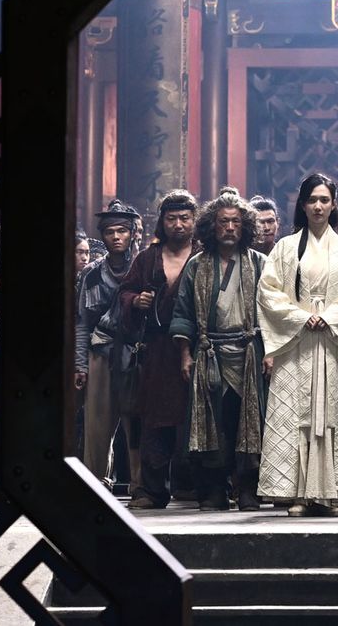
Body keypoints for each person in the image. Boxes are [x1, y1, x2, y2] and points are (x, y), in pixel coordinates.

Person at [257, 173, 338, 517]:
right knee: (298, 415)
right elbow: (268, 292)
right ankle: (298, 493)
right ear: (303, 205)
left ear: (334, 205)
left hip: (334, 341)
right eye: (312, 200)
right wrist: (299, 316)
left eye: (324, 200)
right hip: (298, 341)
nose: (318, 206)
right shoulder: (285, 248)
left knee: (334, 413)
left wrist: (331, 316)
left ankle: (332, 494)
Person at [172, 188, 268, 511]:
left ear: (245, 226)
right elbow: (183, 313)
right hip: (209, 353)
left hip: (249, 354)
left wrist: (270, 353)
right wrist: (185, 354)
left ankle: (248, 489)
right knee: (211, 423)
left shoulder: (259, 264)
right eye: (223, 222)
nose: (229, 228)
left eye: (235, 222)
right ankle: (213, 490)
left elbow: (272, 314)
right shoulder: (197, 266)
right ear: (212, 226)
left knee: (248, 421)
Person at [117, 190, 198, 509]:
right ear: (162, 222)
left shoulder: (203, 254)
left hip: (195, 348)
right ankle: (152, 490)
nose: (178, 224)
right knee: (154, 419)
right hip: (157, 350)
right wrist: (136, 301)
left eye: (185, 218)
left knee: (195, 417)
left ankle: (192, 485)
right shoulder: (147, 258)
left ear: (194, 221)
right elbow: (126, 292)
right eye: (172, 218)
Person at [75, 199, 140, 488]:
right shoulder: (91, 274)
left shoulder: (144, 267)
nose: (116, 237)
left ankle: (141, 485)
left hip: (135, 352)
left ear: (132, 233)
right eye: (110, 231)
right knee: (97, 422)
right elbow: (81, 323)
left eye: (122, 231)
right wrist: (80, 365)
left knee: (137, 421)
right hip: (101, 349)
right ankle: (96, 482)